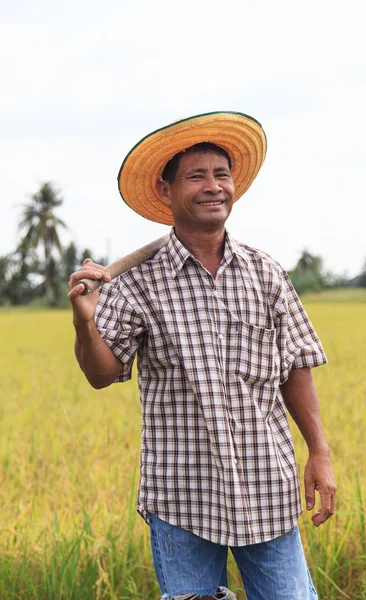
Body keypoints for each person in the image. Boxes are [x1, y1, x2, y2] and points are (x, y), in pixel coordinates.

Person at [68, 112, 336, 600]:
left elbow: (295, 366)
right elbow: (102, 373)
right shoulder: (136, 284)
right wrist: (86, 321)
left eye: (221, 174)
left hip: (266, 490)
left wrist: (318, 450)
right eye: (197, 176)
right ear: (166, 192)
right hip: (182, 500)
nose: (214, 187)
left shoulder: (265, 273)